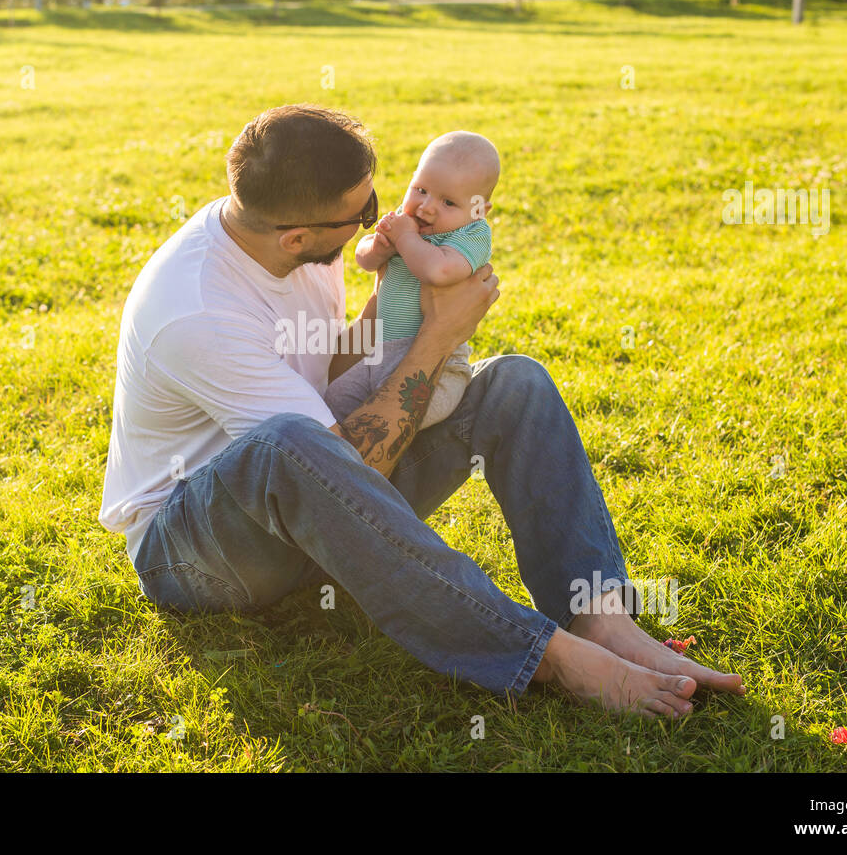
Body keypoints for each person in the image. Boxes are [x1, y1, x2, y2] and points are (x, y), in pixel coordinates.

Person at [98, 104, 745, 718]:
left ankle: (598, 616)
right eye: (365, 213)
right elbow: (339, 466)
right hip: (199, 554)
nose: (380, 220)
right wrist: (437, 338)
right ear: (297, 235)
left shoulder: (293, 239)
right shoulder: (198, 311)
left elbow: (323, 372)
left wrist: (392, 310)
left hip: (311, 505)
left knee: (513, 382)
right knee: (289, 442)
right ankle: (546, 657)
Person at [324, 131, 497, 429]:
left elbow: (439, 271)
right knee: (332, 402)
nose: (427, 207)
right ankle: (346, 460)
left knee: (404, 418)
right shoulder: (407, 223)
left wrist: (404, 238)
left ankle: (403, 455)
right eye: (420, 190)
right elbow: (364, 259)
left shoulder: (471, 235)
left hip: (437, 366)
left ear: (479, 209)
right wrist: (378, 247)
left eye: (449, 203)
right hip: (379, 355)